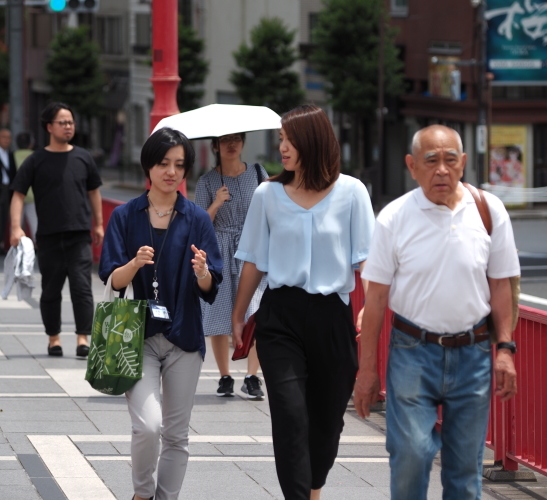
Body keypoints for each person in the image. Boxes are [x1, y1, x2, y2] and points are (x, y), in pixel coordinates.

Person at [354, 125, 519, 500]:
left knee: (465, 472)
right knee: (411, 455)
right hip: (414, 351)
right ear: (412, 166)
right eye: (431, 161)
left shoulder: (488, 210)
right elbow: (376, 299)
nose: (441, 170)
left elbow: (501, 285)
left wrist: (506, 349)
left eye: (449, 160)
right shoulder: (394, 217)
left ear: (463, 163)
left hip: (474, 352)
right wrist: (366, 370)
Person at [232, 105, 374, 500]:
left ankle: (314, 487)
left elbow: (369, 261)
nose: (282, 147)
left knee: (327, 423)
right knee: (290, 415)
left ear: (312, 141)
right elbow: (254, 262)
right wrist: (238, 314)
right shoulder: (268, 195)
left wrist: (372, 304)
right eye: (280, 139)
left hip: (333, 318)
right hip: (281, 317)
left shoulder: (352, 192)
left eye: (288, 139)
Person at [99, 127, 222, 500]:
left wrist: (202, 273)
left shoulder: (197, 218)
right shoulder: (124, 216)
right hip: (135, 337)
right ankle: (141, 494)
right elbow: (113, 279)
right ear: (149, 166)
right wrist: (134, 264)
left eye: (180, 165)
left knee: (176, 434)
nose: (171, 171)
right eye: (164, 163)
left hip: (184, 337)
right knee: (149, 426)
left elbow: (212, 288)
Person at [10, 102, 103, 358]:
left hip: (79, 235)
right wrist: (16, 227)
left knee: (82, 288)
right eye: (62, 122)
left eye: (71, 122)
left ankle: (83, 338)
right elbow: (18, 194)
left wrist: (98, 223)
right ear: (49, 127)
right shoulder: (35, 160)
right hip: (49, 236)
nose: (68, 127)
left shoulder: (83, 157)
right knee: (51, 290)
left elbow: (94, 192)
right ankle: (54, 338)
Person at [194, 132, 268, 399]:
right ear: (215, 145)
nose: (232, 144)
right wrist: (216, 202)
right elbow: (199, 224)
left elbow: (271, 209)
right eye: (225, 140)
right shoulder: (206, 181)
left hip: (252, 250)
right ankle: (225, 376)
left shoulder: (259, 174)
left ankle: (252, 376)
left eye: (237, 139)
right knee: (218, 312)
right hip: (220, 249)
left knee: (255, 312)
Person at [0, 128, 16, 255]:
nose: (6, 140)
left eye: (8, 137)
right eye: (3, 137)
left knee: (4, 218)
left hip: (8, 188)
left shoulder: (11, 154)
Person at [13, 131, 38, 237]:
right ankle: (38, 246)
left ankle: (18, 247)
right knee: (34, 223)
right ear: (31, 144)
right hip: (33, 194)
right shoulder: (36, 156)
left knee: (17, 223)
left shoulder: (13, 155)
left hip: (16, 194)